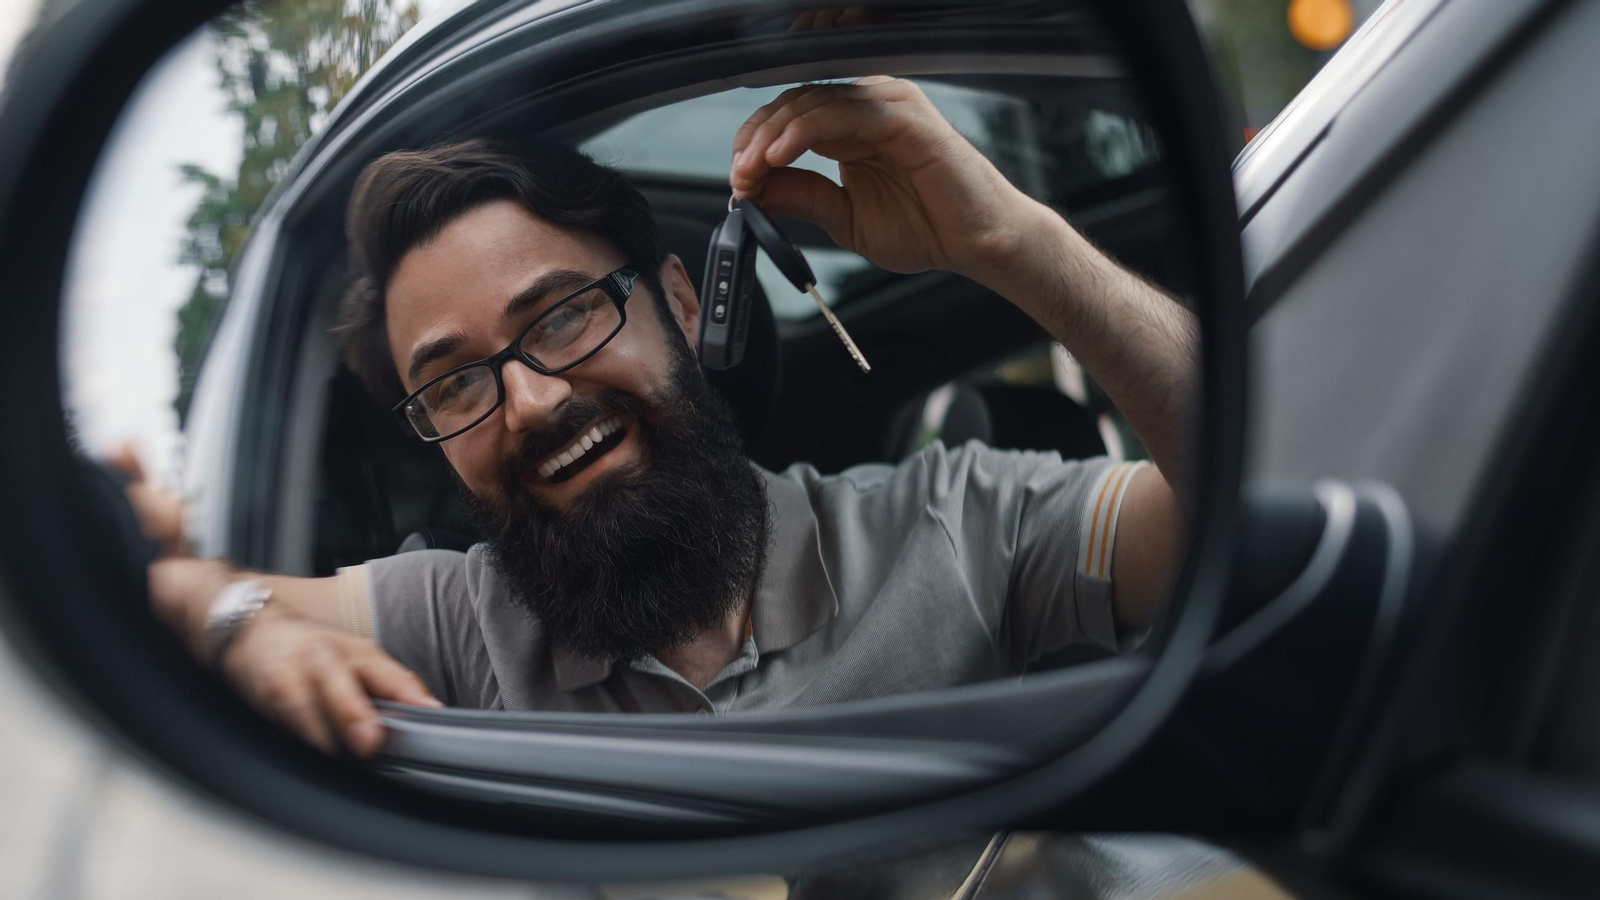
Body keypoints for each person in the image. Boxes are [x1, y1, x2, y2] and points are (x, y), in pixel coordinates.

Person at [121, 77, 1196, 756]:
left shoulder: (957, 524)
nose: (532, 402)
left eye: (563, 316)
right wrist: (231, 626)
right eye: (454, 385)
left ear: (681, 305)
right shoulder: (454, 623)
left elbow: (1233, 484)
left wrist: (1014, 243)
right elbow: (158, 597)